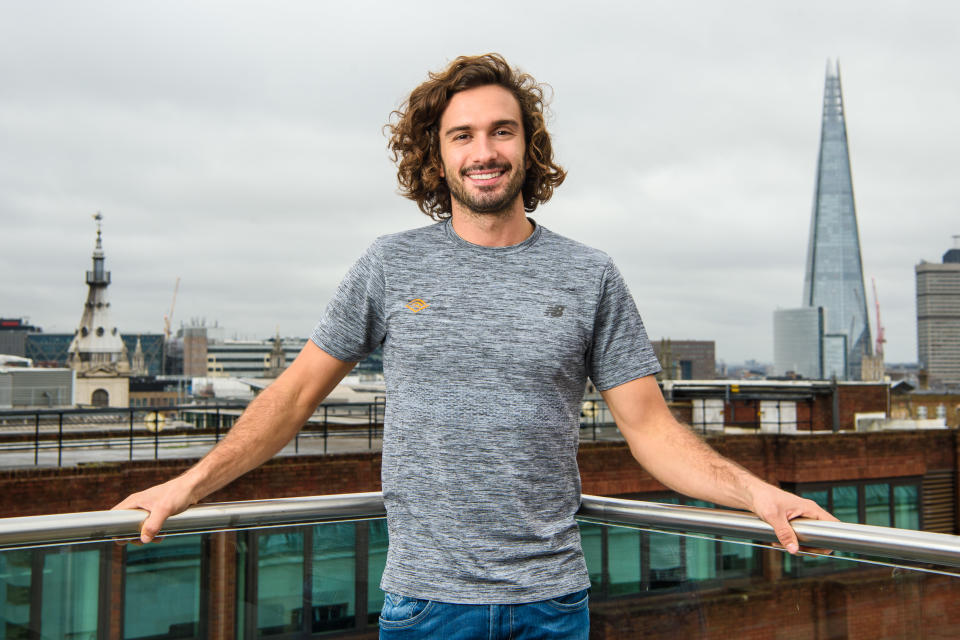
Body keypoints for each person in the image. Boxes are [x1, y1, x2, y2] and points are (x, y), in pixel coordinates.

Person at [115, 53, 836, 639]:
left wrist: (759, 495)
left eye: (502, 131)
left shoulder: (590, 275)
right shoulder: (389, 265)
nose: (483, 151)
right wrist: (187, 485)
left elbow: (649, 429)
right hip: (427, 607)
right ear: (437, 155)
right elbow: (294, 393)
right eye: (462, 135)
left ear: (529, 145)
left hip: (552, 605)